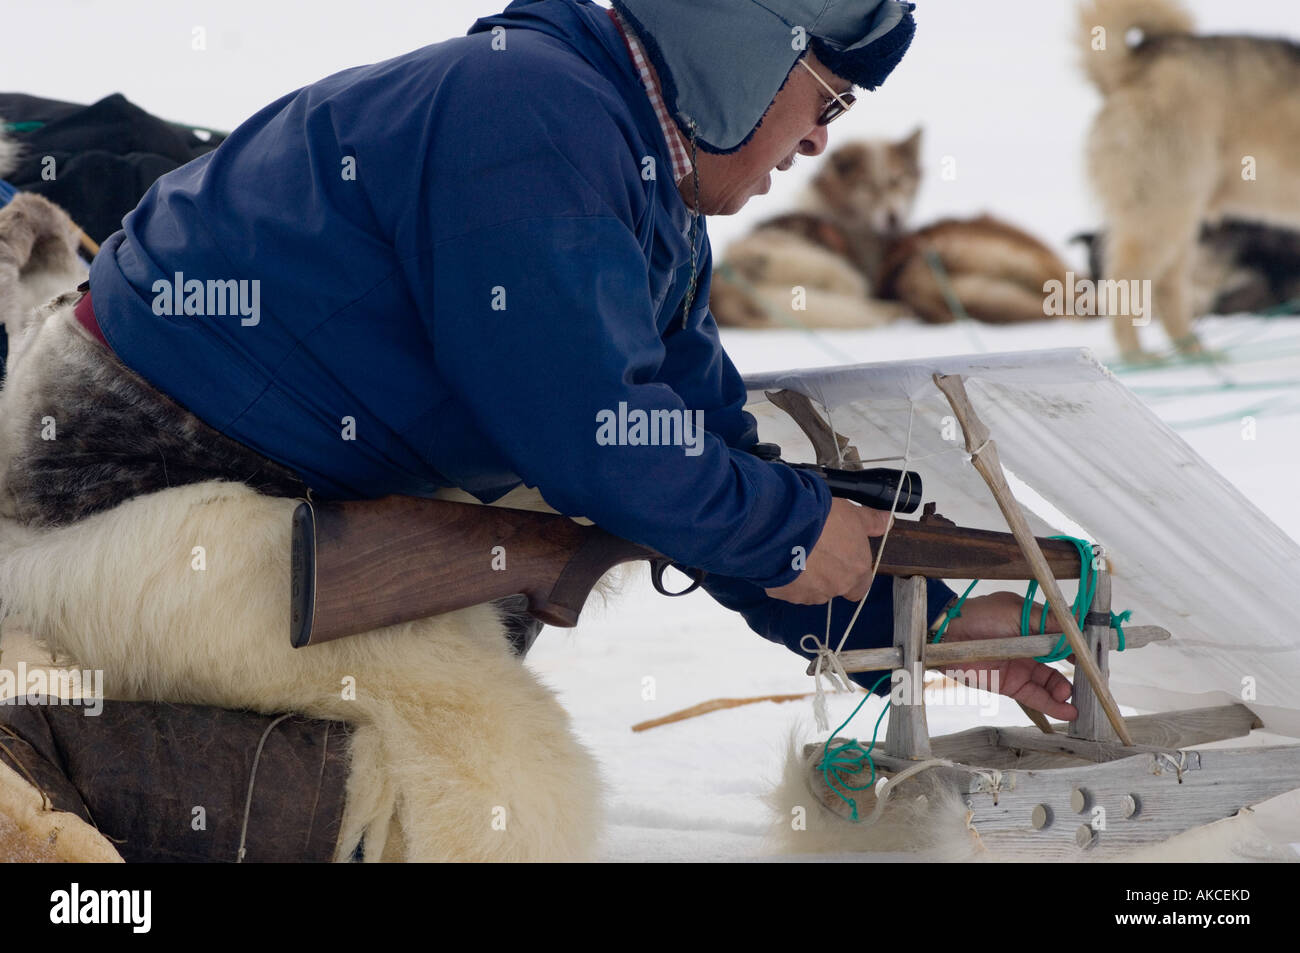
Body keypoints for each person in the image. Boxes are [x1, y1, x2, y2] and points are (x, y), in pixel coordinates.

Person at [33, 0, 1077, 720]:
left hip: (264, 482)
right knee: (486, 779)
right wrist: (787, 529)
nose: (817, 144)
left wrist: (921, 627)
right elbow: (590, 433)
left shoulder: (622, 165)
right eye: (828, 101)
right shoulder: (532, 114)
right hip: (135, 481)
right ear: (744, 53)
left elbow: (693, 439)